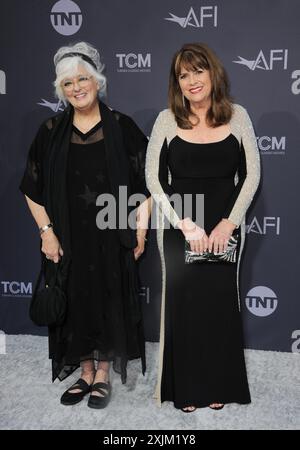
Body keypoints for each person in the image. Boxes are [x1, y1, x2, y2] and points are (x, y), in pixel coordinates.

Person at [20, 42, 151, 409]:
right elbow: (31, 188)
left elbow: (148, 185)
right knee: (75, 299)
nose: (76, 87)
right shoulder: (50, 130)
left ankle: (104, 372)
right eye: (67, 83)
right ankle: (85, 371)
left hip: (112, 234)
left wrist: (140, 231)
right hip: (67, 236)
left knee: (107, 297)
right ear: (60, 90)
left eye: (82, 78)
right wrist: (47, 233)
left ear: (97, 81)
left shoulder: (122, 126)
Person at [145, 43, 260, 412]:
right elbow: (154, 178)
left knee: (218, 304)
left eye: (198, 71)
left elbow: (251, 175)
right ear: (176, 83)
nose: (192, 80)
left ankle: (217, 384)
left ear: (213, 73)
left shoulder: (237, 115)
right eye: (183, 74)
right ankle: (187, 388)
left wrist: (228, 223)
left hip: (225, 226)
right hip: (182, 226)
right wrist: (183, 224)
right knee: (186, 304)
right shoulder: (167, 120)